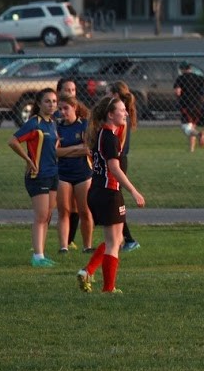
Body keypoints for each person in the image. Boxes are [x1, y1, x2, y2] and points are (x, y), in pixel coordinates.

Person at [77, 94, 145, 294]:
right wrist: (134, 191)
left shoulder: (103, 133)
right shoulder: (109, 137)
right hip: (109, 193)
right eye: (121, 110)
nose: (125, 113)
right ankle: (107, 287)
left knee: (114, 240)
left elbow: (124, 124)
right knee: (114, 242)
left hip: (97, 192)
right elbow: (113, 167)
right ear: (110, 114)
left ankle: (88, 272)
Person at [7, 88, 60, 268]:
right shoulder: (34, 123)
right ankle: (37, 256)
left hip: (53, 174)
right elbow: (12, 141)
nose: (52, 104)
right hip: (38, 176)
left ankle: (41, 254)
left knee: (48, 215)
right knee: (41, 216)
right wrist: (28, 159)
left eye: (54, 101)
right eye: (47, 101)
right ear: (39, 104)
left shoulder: (52, 123)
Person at [54, 93, 94, 255]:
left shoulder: (84, 125)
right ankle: (64, 246)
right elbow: (55, 152)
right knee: (64, 210)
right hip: (63, 173)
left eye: (66, 108)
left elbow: (87, 149)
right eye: (60, 109)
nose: (63, 112)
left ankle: (87, 246)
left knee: (85, 211)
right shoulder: (57, 127)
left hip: (83, 173)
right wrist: (75, 149)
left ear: (75, 108)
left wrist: (66, 151)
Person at [108, 81, 141, 251]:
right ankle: (122, 238)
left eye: (109, 94)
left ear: (116, 95)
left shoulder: (120, 118)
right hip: (118, 160)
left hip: (117, 162)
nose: (107, 97)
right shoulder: (121, 115)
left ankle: (127, 239)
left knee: (115, 200)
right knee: (113, 200)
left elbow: (118, 147)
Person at [174, 62, 204, 152]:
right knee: (192, 126)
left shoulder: (180, 79)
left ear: (182, 69)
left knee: (186, 127)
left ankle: (199, 135)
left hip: (186, 105)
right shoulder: (198, 77)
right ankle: (191, 149)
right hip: (198, 104)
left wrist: (178, 99)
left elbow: (177, 92)